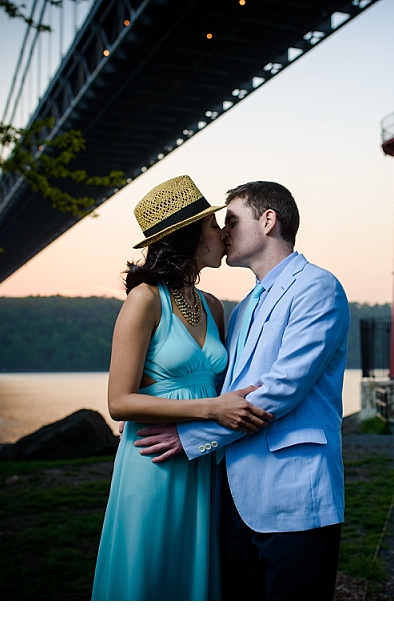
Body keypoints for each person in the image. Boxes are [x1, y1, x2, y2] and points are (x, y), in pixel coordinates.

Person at [135, 181, 351, 600]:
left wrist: (190, 436)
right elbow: (225, 388)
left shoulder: (317, 288)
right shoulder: (245, 305)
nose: (222, 231)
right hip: (231, 495)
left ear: (268, 221)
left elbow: (283, 388)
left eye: (231, 220)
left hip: (294, 496)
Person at [91, 175, 272, 601]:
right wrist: (210, 410)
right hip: (153, 458)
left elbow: (224, 383)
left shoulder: (212, 305)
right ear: (189, 236)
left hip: (201, 456)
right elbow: (119, 402)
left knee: (195, 573)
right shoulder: (145, 299)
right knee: (150, 570)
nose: (222, 233)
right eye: (213, 225)